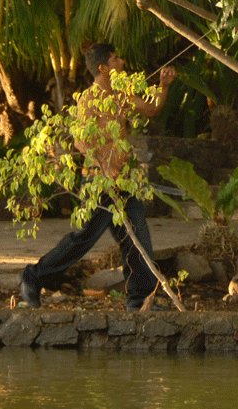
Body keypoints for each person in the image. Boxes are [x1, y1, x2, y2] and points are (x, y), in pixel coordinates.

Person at [19, 43, 177, 311]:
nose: (122, 62)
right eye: (116, 59)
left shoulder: (120, 95)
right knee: (82, 239)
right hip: (99, 183)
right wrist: (105, 168)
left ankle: (138, 300)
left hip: (123, 182)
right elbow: (81, 141)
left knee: (137, 239)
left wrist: (164, 84)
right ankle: (32, 277)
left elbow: (152, 109)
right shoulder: (89, 99)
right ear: (103, 68)